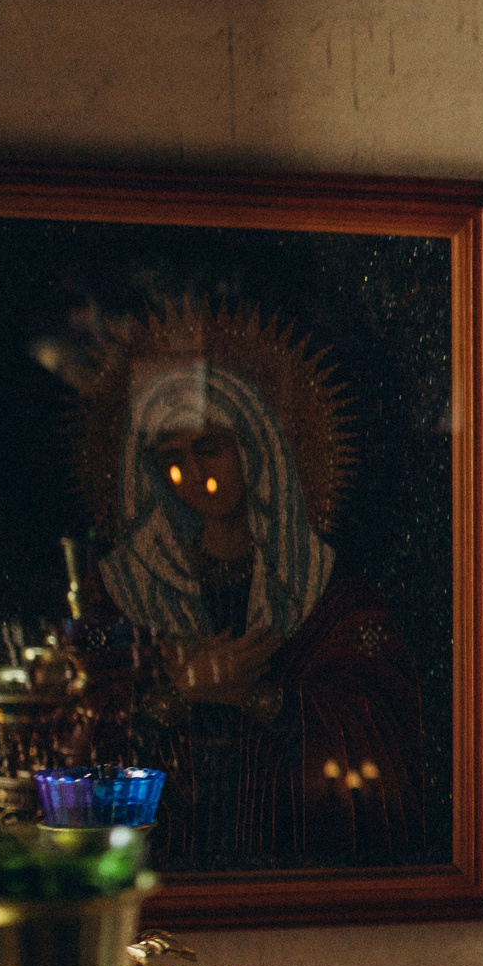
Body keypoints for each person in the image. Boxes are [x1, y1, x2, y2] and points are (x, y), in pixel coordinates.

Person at [96, 353, 424, 867]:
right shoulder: (136, 588)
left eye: (210, 448)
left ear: (255, 448)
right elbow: (92, 738)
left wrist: (257, 697)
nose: (192, 473)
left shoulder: (332, 594)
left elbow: (377, 728)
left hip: (287, 848)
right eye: (171, 456)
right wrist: (179, 695)